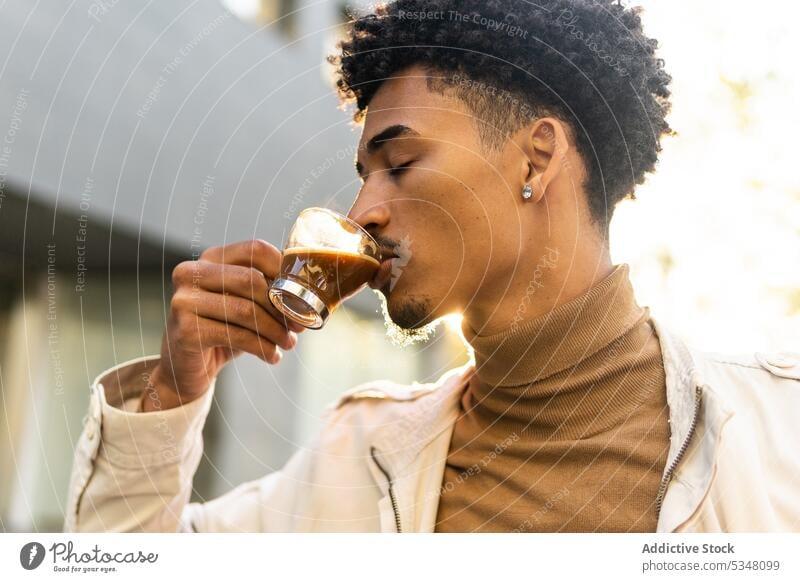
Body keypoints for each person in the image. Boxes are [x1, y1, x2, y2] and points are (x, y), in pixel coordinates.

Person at [64, 0, 800, 533]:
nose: (361, 215)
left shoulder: (778, 429)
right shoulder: (354, 457)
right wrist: (167, 394)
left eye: (401, 162)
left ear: (535, 158)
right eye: (363, 174)